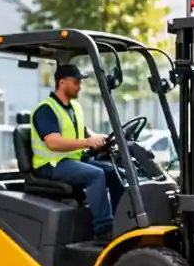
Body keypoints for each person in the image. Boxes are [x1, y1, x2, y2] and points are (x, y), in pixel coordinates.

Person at [30, 64, 124, 240]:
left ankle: (123, 221)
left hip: (72, 160)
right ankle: (104, 229)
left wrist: (102, 139)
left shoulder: (75, 108)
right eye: (76, 82)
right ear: (62, 82)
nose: (79, 86)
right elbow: (53, 143)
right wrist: (87, 142)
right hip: (51, 165)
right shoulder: (46, 110)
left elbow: (84, 132)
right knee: (95, 175)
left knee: (114, 172)